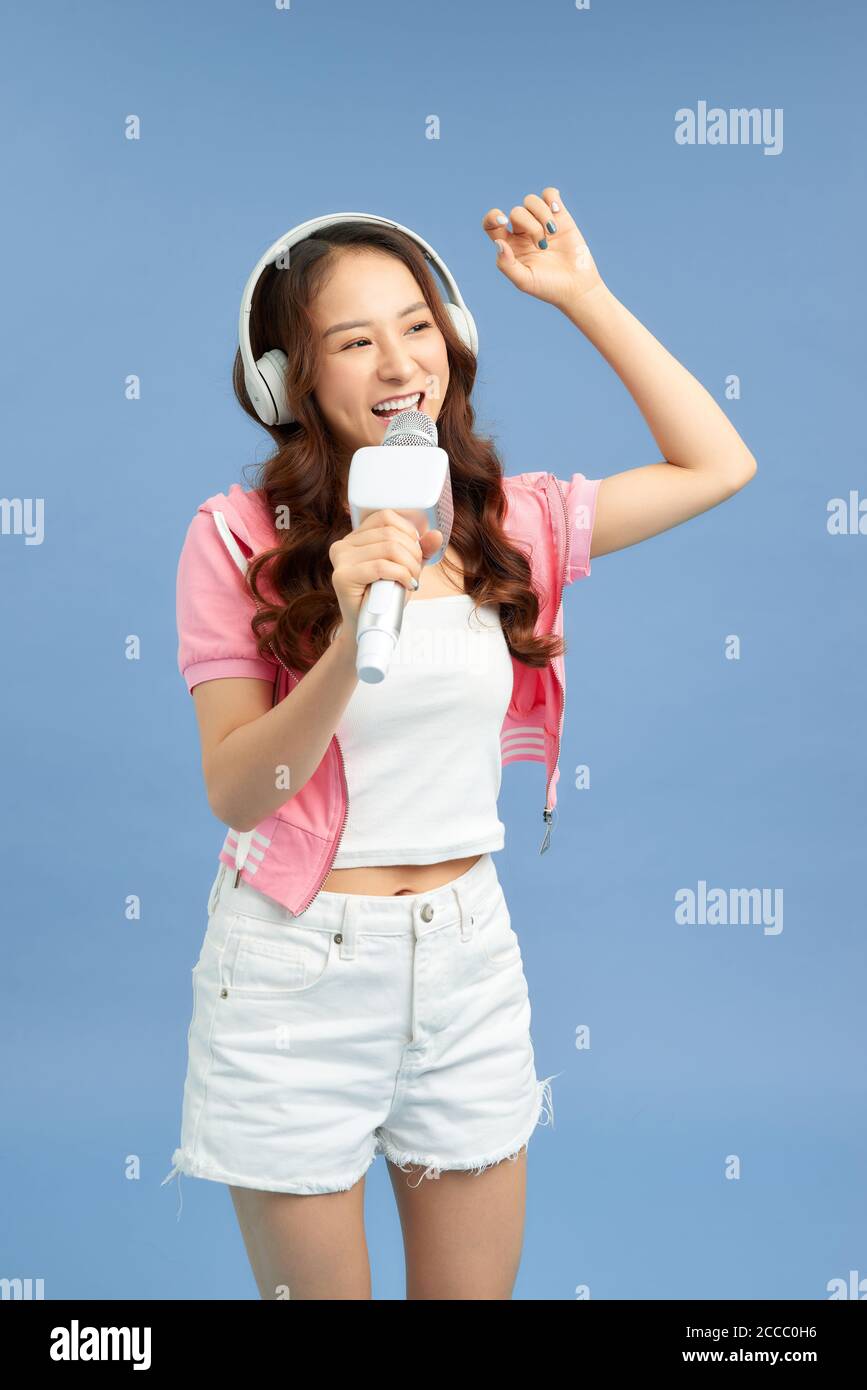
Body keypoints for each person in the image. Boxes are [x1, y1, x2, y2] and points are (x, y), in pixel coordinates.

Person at [163, 190, 757, 1299]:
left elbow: (718, 464)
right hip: (297, 970)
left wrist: (584, 295)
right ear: (290, 381)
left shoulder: (511, 519)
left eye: (418, 324)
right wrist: (343, 638)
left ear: (454, 341)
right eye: (354, 339)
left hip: (466, 958)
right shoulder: (236, 538)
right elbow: (242, 791)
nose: (400, 363)